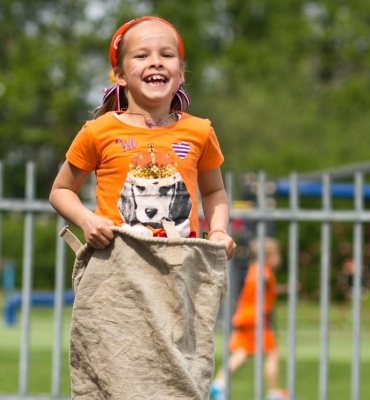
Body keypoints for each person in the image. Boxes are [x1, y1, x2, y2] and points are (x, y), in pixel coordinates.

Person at [49, 15, 236, 397]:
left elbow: (214, 192)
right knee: (115, 366)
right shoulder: (99, 131)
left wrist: (218, 230)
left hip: (180, 272)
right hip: (118, 271)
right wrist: (87, 220)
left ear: (181, 74)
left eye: (167, 55)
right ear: (118, 74)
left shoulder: (200, 131)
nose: (155, 62)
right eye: (142, 55)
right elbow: (61, 191)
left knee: (178, 371)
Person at [211, 238, 288, 400]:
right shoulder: (262, 272)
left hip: (246, 318)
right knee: (272, 353)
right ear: (268, 257)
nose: (279, 259)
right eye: (277, 255)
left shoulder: (256, 270)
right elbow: (260, 283)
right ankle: (274, 393)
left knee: (242, 353)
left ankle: (219, 385)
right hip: (256, 321)